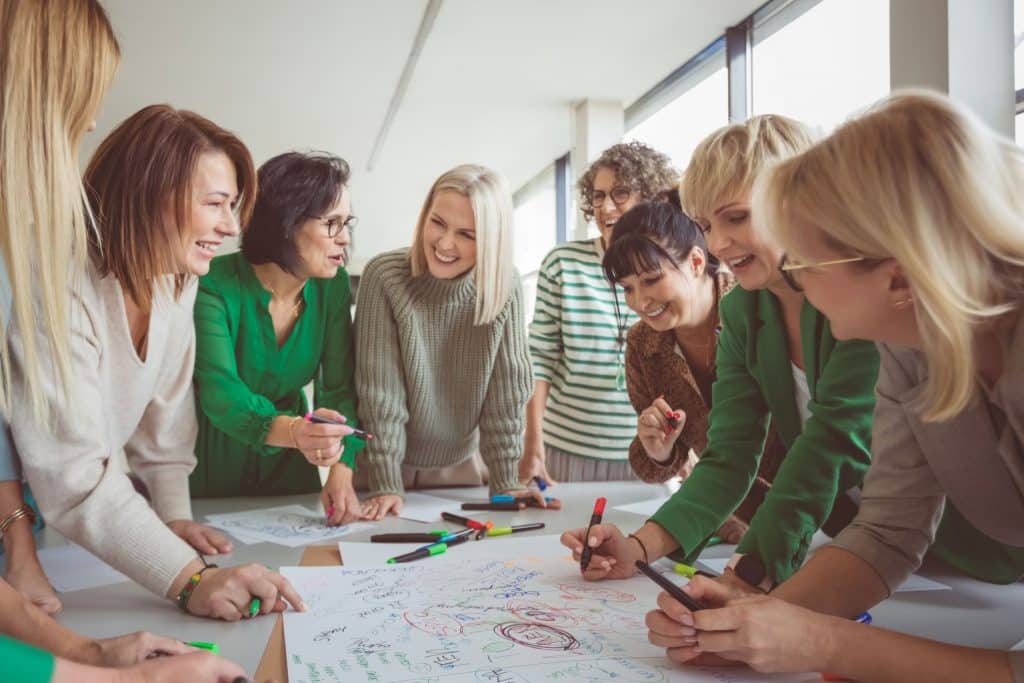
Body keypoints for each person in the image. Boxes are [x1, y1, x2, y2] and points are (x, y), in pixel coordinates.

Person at [648, 91, 1024, 683]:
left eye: (806, 262)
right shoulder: (909, 346)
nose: (795, 285)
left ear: (899, 276)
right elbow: (888, 530)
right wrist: (761, 620)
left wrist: (824, 643)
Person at [9, 104, 304, 620]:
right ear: (150, 195)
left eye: (233, 206)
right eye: (215, 204)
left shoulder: (176, 278)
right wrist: (192, 580)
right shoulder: (58, 279)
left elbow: (166, 419)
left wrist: (174, 518)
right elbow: (75, 478)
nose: (230, 226)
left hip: (49, 514)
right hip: (23, 507)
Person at [561, 115, 877, 593]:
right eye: (707, 225)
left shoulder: (854, 295)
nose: (717, 244)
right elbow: (728, 458)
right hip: (853, 537)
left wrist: (750, 573)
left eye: (738, 217)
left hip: (942, 534)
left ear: (797, 199)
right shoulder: (744, 311)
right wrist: (639, 548)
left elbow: (831, 444)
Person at [354, 164, 539, 519]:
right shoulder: (385, 277)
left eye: (466, 234)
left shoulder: (505, 286)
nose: (444, 243)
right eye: (438, 223)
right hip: (381, 467)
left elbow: (506, 392)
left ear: (491, 240)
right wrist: (386, 483)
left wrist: (505, 482)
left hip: (462, 466)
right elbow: (381, 395)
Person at [192, 151, 364, 524]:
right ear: (286, 223)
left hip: (291, 469)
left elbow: (338, 389)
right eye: (331, 224)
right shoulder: (212, 284)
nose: (345, 238)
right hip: (213, 465)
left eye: (346, 223)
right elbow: (221, 393)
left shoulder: (332, 287)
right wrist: (295, 432)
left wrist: (341, 468)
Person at [603, 201, 780, 543]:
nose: (640, 302)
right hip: (736, 519)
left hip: (820, 504)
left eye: (651, 280)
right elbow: (663, 461)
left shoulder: (755, 305)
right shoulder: (642, 344)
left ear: (697, 262)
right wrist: (660, 450)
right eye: (627, 288)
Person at [522, 142, 678, 483]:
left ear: (649, 197)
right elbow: (540, 361)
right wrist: (532, 444)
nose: (606, 207)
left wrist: (683, 448)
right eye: (598, 196)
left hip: (645, 451)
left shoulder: (669, 271)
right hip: (563, 450)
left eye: (620, 193)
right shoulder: (563, 264)